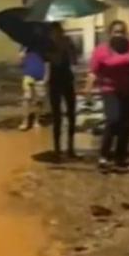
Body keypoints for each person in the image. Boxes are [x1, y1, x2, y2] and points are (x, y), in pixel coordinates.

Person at [87, 20, 129, 170]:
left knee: (126, 124)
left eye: (122, 32)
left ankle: (120, 158)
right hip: (109, 90)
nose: (119, 35)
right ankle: (103, 156)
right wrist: (88, 91)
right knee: (113, 120)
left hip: (128, 90)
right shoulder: (101, 51)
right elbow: (93, 72)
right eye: (116, 32)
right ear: (110, 34)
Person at [46, 23, 77, 160]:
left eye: (58, 32)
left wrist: (69, 49)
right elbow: (52, 61)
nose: (56, 35)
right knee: (56, 117)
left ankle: (70, 148)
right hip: (54, 83)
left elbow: (74, 60)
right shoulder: (48, 45)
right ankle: (57, 149)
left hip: (67, 81)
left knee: (71, 115)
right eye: (53, 33)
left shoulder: (67, 42)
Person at [19, 47, 46, 130]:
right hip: (28, 75)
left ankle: (36, 121)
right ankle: (25, 122)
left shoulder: (45, 45)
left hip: (41, 76)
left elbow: (49, 62)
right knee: (27, 98)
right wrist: (21, 56)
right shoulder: (25, 46)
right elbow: (21, 63)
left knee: (39, 100)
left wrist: (46, 78)